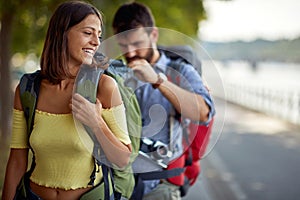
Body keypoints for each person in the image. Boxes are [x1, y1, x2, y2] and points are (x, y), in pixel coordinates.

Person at [2, 1, 132, 199]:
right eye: (88, 33)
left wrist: (96, 122)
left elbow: (123, 159)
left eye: (98, 35)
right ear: (62, 33)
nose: (96, 42)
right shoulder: (28, 90)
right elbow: (17, 160)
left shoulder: (104, 88)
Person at [112, 2, 215, 200]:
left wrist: (158, 81)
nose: (131, 53)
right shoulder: (117, 73)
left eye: (136, 44)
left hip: (160, 186)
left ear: (154, 35)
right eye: (123, 46)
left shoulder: (181, 71)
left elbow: (203, 112)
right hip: (119, 184)